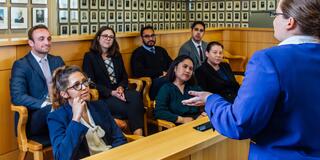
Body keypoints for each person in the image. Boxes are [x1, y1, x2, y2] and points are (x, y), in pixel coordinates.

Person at [182, 0, 320, 159]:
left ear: (290, 22)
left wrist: (210, 99)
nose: (273, 20)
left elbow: (239, 124)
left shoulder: (269, 60)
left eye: (275, 15)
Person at [47, 65, 127, 160]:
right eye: (76, 85)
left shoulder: (100, 106)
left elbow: (119, 138)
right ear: (64, 94)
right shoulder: (56, 118)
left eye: (84, 82)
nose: (84, 87)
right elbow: (62, 157)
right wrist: (75, 119)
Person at [82, 26, 144, 136]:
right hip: (104, 96)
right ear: (98, 38)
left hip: (120, 91)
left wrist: (120, 88)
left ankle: (136, 136)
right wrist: (111, 92)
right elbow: (90, 82)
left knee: (135, 95)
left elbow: (124, 77)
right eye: (105, 36)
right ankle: (139, 134)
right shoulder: (90, 57)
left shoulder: (116, 55)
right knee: (134, 106)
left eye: (111, 37)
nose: (108, 39)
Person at [10, 25, 65, 141]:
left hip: (60, 109)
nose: (47, 42)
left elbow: (67, 84)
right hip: (34, 117)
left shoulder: (57, 60)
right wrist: (45, 104)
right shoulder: (21, 65)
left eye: (49, 39)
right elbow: (18, 97)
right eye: (41, 39)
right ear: (31, 42)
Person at [154, 55, 206, 124]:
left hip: (197, 122)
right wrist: (182, 120)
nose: (188, 71)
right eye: (185, 67)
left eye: (190, 69)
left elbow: (207, 102)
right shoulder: (166, 88)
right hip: (177, 125)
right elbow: (159, 112)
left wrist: (204, 113)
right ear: (175, 68)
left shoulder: (194, 87)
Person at [131, 26, 172, 100]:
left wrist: (171, 72)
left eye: (152, 35)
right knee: (168, 80)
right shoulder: (138, 53)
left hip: (166, 78)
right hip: (151, 84)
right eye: (147, 36)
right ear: (141, 38)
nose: (150, 39)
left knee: (186, 74)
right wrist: (160, 73)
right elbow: (138, 72)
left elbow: (171, 64)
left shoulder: (161, 50)